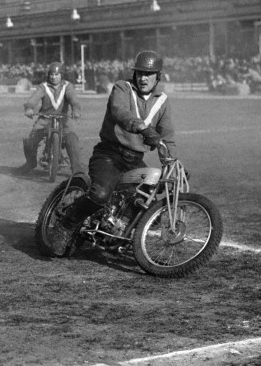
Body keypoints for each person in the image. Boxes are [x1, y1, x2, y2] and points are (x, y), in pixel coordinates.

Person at [51, 50, 176, 257]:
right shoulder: (122, 87)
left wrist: (172, 162)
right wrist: (143, 128)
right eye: (140, 73)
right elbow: (120, 112)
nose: (143, 78)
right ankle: (66, 225)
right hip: (109, 154)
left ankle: (116, 234)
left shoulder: (163, 101)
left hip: (135, 160)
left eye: (149, 74)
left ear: (158, 76)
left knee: (145, 203)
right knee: (100, 194)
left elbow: (168, 136)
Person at [16, 62, 85, 175]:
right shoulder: (43, 86)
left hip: (64, 119)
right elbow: (34, 98)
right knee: (32, 138)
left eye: (56, 74)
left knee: (72, 138)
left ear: (62, 75)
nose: (53, 77)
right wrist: (29, 107)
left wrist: (76, 110)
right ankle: (30, 162)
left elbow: (74, 99)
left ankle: (77, 169)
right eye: (51, 74)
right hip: (45, 118)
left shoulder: (67, 86)